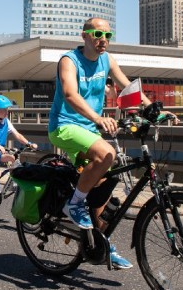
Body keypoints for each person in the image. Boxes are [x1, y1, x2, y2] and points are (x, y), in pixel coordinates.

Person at [48, 17, 176, 269]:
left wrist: (155, 111)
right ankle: (73, 204)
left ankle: (101, 243)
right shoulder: (69, 61)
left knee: (101, 184)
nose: (103, 40)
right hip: (64, 127)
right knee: (107, 155)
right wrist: (97, 117)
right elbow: (70, 94)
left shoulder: (107, 60)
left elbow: (128, 88)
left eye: (107, 35)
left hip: (88, 130)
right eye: (97, 34)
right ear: (84, 35)